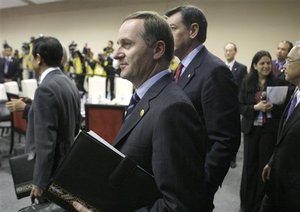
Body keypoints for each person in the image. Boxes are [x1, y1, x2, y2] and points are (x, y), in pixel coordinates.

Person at [73, 11, 205, 211]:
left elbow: (177, 206)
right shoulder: (146, 98)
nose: (116, 53)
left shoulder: (173, 109)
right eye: (118, 45)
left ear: (158, 49)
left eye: (126, 44)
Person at [165, 5, 241, 211]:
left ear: (193, 31)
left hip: (192, 187)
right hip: (174, 180)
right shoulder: (179, 69)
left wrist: (203, 185)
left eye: (172, 28)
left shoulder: (214, 71)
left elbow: (226, 138)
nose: (166, 34)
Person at [25, 36, 81, 201]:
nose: (30, 60)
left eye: (31, 56)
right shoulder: (69, 82)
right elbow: (77, 126)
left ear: (39, 59)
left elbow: (45, 142)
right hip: (66, 165)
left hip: (51, 172)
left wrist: (39, 182)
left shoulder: (45, 89)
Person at [239, 50, 291, 212]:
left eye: (268, 62)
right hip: (251, 130)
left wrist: (272, 107)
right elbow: (240, 106)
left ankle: (259, 206)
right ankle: (246, 205)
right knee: (249, 168)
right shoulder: (247, 83)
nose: (266, 66)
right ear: (255, 65)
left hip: (269, 131)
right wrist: (256, 107)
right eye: (262, 63)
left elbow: (284, 109)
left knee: (263, 168)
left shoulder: (278, 83)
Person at [260, 45, 300, 211]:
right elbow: (286, 134)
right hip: (278, 179)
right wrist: (272, 162)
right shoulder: (295, 93)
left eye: (289, 61)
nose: (283, 65)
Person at [224, 41, 248, 168]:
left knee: (233, 132)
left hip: (235, 106)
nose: (228, 52)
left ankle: (232, 158)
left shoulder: (241, 68)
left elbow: (243, 88)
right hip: (221, 105)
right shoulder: (219, 66)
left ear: (235, 52)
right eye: (226, 50)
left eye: (230, 50)